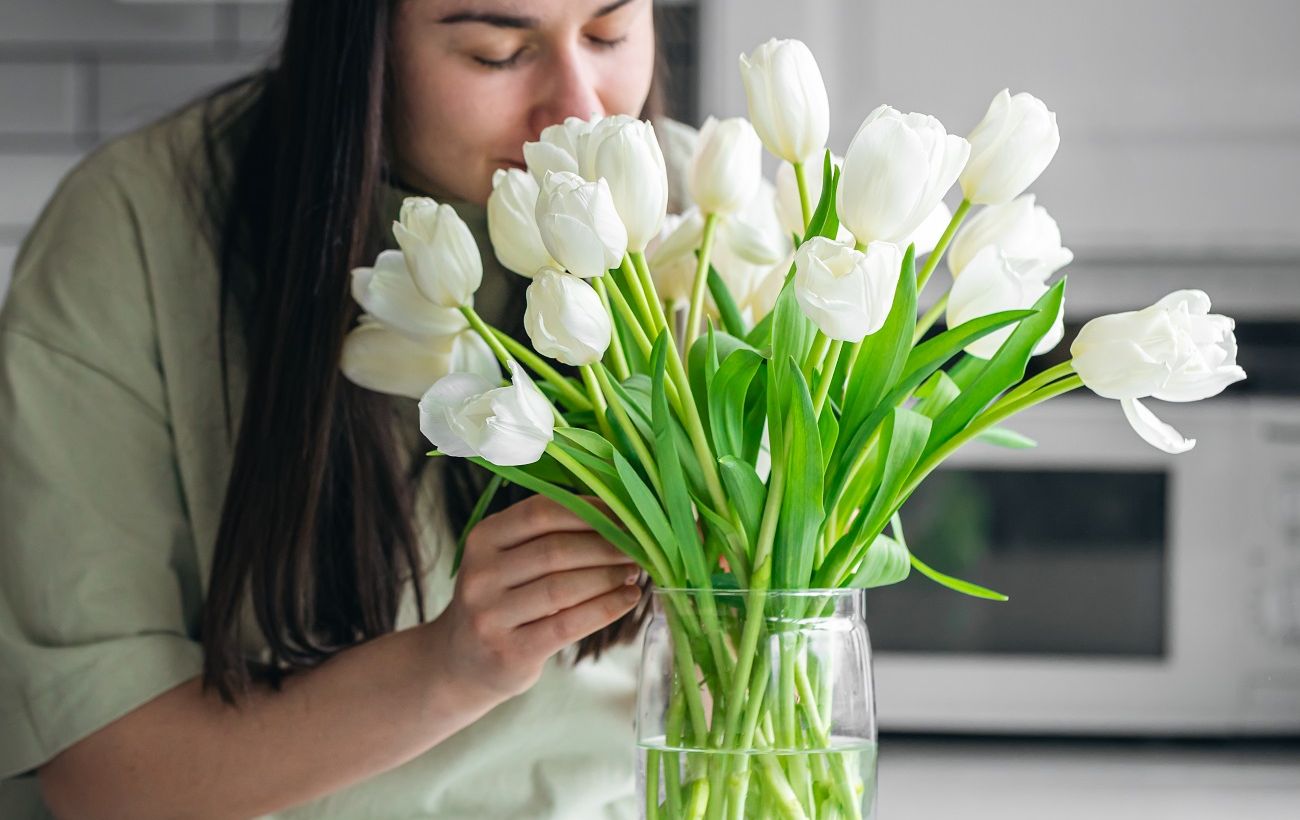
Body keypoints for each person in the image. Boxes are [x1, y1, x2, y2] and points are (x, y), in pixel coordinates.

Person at [0, 1, 693, 816]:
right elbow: (100, 774)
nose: (580, 108)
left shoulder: (705, 217)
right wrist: (449, 670)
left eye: (610, 34)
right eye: (496, 53)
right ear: (362, 41)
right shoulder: (136, 228)